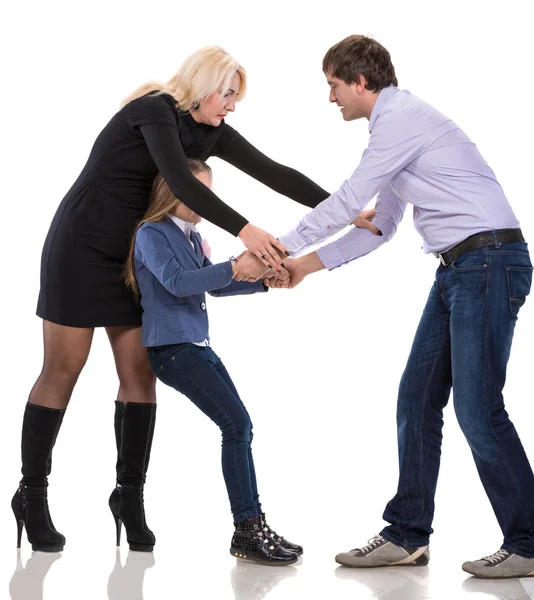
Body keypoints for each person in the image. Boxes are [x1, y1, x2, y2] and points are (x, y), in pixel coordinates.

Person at [11, 44, 337, 553]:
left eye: (236, 98)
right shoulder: (153, 111)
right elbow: (183, 180)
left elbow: (274, 171)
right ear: (203, 84)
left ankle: (129, 497)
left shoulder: (211, 131)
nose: (231, 106)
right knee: (63, 369)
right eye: (227, 94)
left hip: (133, 255)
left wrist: (345, 211)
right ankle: (31, 495)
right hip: (81, 246)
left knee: (139, 373)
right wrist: (246, 230)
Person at [275, 35, 534, 579]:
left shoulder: (401, 120)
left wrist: (279, 248)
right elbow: (378, 227)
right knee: (416, 401)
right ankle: (408, 533)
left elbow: (348, 201)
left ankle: (529, 542)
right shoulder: (394, 132)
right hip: (461, 269)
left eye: (334, 85)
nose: (331, 98)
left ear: (361, 81)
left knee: (478, 409)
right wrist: (303, 267)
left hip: (488, 263)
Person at [125, 159, 301, 565]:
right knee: (236, 425)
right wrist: (236, 266)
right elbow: (178, 283)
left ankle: (252, 526)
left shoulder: (190, 236)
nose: (207, 202)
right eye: (199, 193)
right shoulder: (152, 233)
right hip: (170, 349)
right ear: (174, 192)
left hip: (195, 344)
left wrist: (263, 283)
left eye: (210, 193)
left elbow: (217, 289)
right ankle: (248, 530)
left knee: (240, 426)